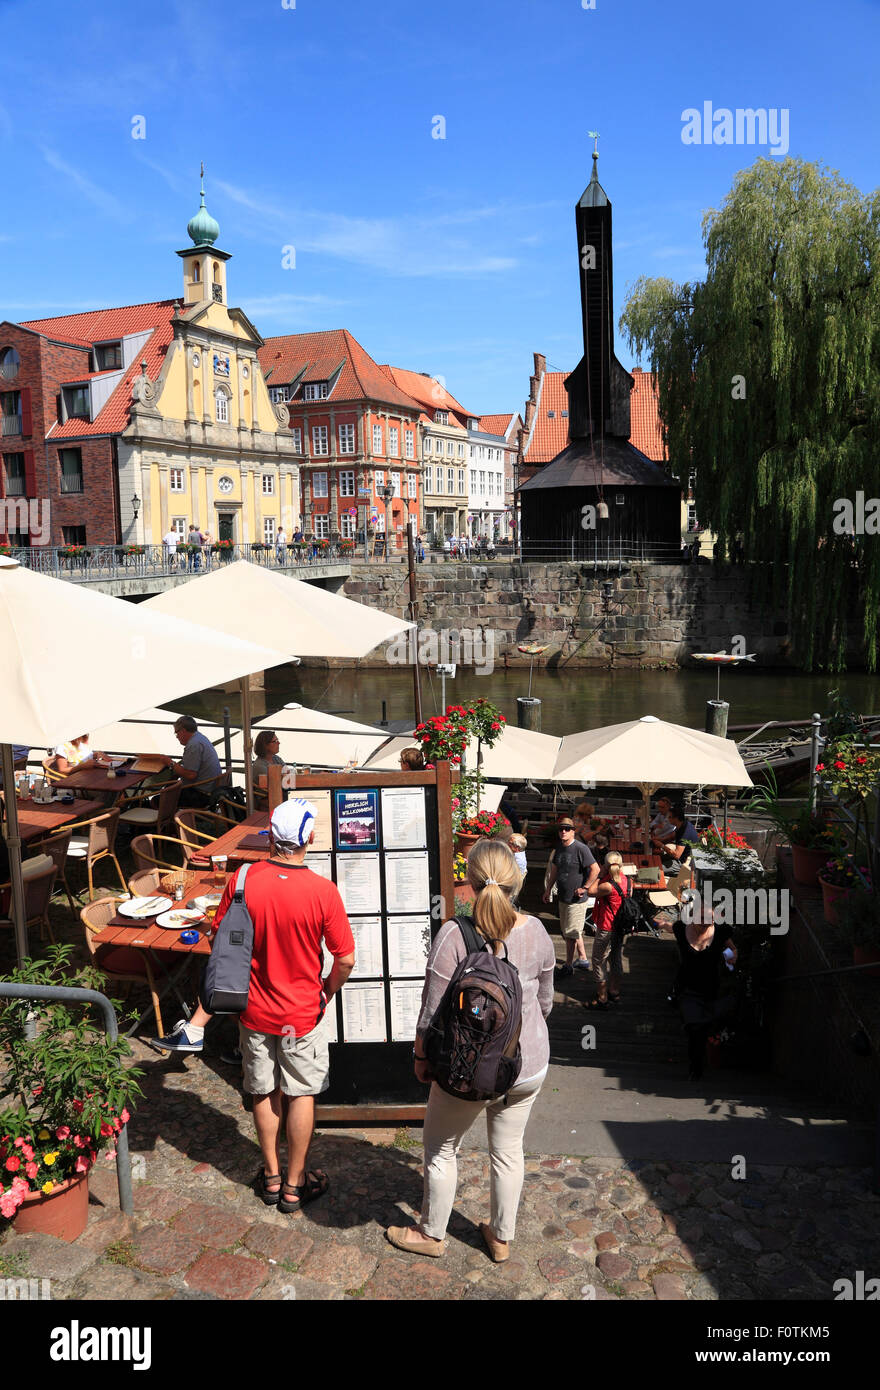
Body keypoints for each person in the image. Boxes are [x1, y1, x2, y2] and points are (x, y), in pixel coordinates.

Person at [156, 801, 355, 1210]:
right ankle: (295, 1186)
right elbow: (346, 958)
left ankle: (270, 1176)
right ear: (309, 838)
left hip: (254, 1009)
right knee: (301, 1094)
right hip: (302, 1012)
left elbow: (221, 937)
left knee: (263, 1091)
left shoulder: (243, 879)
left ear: (270, 837)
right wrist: (326, 991)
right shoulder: (323, 891)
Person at [386, 838, 554, 1262]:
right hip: (526, 1064)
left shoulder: (453, 935)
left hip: (466, 1068)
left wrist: (422, 1057)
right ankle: (500, 1237)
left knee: (441, 1147)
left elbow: (431, 1011)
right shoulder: (535, 930)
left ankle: (431, 1233)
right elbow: (546, 1001)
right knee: (509, 1150)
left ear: (470, 883)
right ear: (515, 880)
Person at [672, 902, 737, 1080]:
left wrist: (733, 955)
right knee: (694, 1026)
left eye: (709, 918)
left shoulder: (721, 931)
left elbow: (731, 948)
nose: (705, 921)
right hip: (687, 988)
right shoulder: (680, 929)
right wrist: (660, 924)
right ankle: (696, 1067)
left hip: (711, 990)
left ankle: (699, 1061)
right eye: (701, 917)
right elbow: (670, 928)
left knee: (703, 1027)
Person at [542, 815, 600, 975]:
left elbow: (596, 869)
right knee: (571, 931)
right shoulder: (559, 848)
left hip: (577, 899)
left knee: (571, 934)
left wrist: (585, 887)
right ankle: (582, 959)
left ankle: (568, 966)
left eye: (567, 829)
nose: (563, 832)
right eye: (561, 829)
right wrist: (548, 890)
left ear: (573, 831)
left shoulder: (581, 848)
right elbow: (555, 870)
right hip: (563, 896)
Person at [588, 851, 630, 1009]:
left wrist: (600, 874)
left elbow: (591, 891)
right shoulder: (628, 881)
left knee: (599, 960)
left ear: (606, 865)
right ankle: (615, 991)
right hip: (620, 927)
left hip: (607, 926)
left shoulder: (607, 885)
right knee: (616, 958)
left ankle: (602, 996)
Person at [160, 715, 223, 808]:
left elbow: (191, 775)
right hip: (209, 789)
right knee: (170, 787)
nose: (177, 736)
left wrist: (170, 762)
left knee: (158, 800)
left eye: (177, 732)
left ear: (183, 730)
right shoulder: (200, 737)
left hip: (201, 795)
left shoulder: (194, 745)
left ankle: (166, 820)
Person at [661, 805, 701, 873]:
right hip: (681, 857)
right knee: (657, 858)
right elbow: (672, 836)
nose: (668, 819)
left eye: (670, 817)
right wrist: (659, 840)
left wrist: (662, 846)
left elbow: (677, 855)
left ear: (676, 818)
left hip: (684, 863)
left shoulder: (685, 832)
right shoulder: (682, 824)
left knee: (658, 868)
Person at [253, 729, 285, 797]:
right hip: (267, 800)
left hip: (279, 794)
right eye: (275, 741)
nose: (279, 743)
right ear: (265, 745)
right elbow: (274, 786)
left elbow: (288, 773)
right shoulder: (259, 766)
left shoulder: (276, 758)